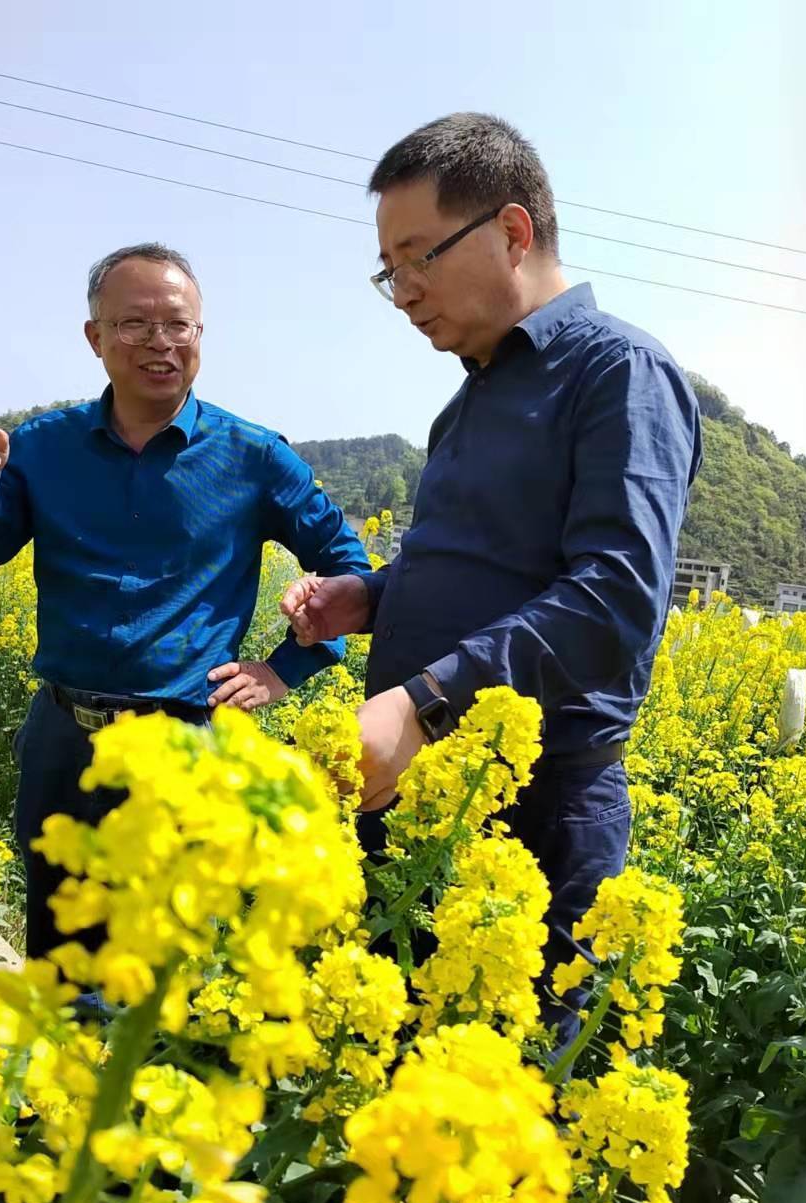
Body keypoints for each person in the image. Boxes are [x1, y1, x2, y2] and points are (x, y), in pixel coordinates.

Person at [283, 114, 702, 1046]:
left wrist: (426, 702)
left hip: (534, 811)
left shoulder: (618, 375)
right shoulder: (467, 397)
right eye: (388, 271)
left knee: (505, 1113)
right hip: (420, 788)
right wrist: (375, 595)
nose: (403, 293)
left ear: (513, 233)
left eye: (417, 258)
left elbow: (617, 596)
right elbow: (490, 561)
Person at [0, 242, 369, 963]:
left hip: (188, 742)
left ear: (202, 336)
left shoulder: (254, 456)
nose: (160, 342)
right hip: (65, 740)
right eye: (134, 323)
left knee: (167, 975)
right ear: (95, 337)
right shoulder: (40, 448)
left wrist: (286, 667)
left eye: (179, 325)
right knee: (60, 956)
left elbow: (349, 567)